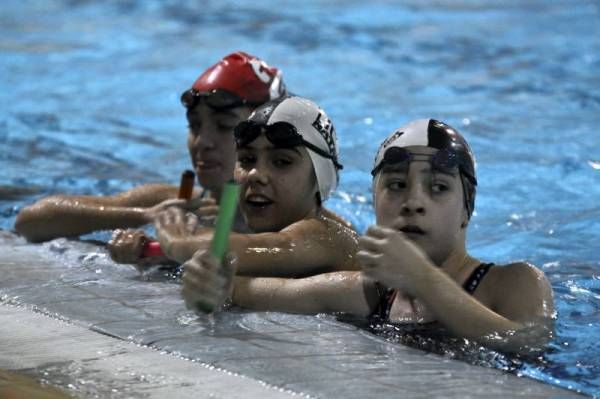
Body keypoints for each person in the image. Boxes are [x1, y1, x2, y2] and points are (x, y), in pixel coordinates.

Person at [187, 119, 555, 354]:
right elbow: (251, 290)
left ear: (467, 208)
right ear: (375, 202)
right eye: (396, 185)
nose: (413, 202)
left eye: (438, 188)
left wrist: (423, 279)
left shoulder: (514, 283)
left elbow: (526, 343)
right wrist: (214, 284)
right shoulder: (365, 292)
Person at [14, 52, 287, 251]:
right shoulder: (171, 201)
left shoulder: (290, 221)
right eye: (194, 125)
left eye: (223, 126)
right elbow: (31, 221)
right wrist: (144, 216)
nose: (202, 141)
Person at [154, 96, 360, 305]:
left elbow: (266, 248)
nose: (255, 174)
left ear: (320, 179)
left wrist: (174, 240)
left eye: (281, 162)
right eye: (247, 160)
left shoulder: (328, 236)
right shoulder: (233, 220)